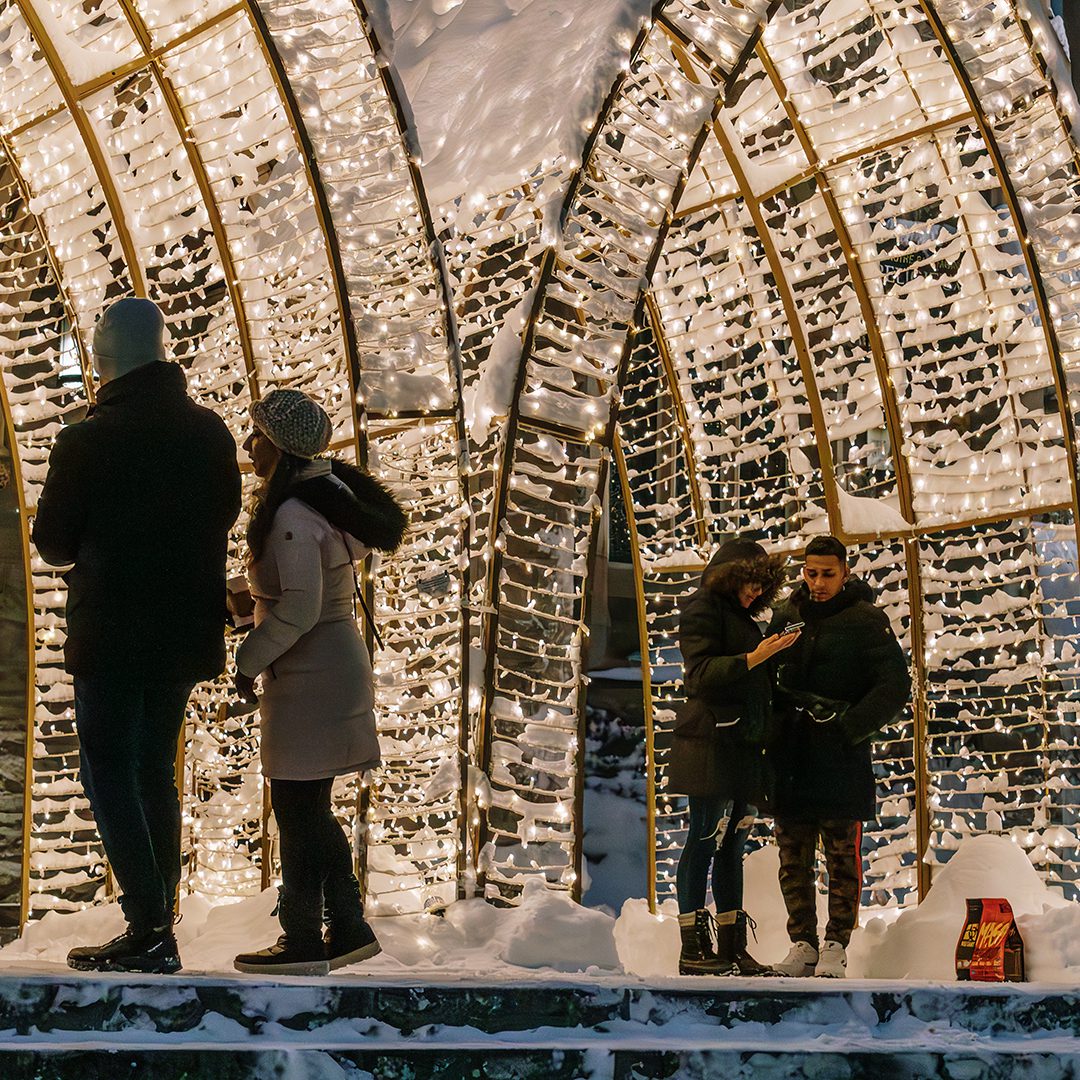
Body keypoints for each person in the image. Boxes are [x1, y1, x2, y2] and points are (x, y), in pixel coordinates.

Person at [33, 298, 242, 973]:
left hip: (113, 631)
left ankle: (147, 923)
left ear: (112, 351)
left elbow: (53, 544)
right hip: (184, 632)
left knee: (106, 769)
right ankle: (159, 916)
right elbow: (227, 514)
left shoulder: (87, 439)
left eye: (97, 335)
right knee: (155, 767)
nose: (91, 344)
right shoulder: (209, 433)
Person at [231, 389, 407, 976]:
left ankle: (309, 935)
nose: (249, 446)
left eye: (257, 436)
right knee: (305, 808)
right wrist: (246, 602)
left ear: (279, 447)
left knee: (298, 809)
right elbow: (299, 591)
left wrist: (248, 658)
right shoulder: (325, 503)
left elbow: (301, 607)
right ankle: (337, 930)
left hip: (311, 673)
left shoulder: (290, 515)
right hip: (328, 666)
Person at [767, 535, 910, 978]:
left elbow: (894, 685)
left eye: (828, 573)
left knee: (841, 855)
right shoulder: (787, 614)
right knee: (792, 854)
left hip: (839, 755)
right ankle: (803, 943)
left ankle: (835, 943)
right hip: (792, 752)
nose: (818, 582)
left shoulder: (867, 620)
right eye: (811, 572)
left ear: (845, 572)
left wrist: (849, 727)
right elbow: (766, 671)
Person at [667, 538, 800, 976]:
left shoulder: (740, 616)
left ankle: (731, 947)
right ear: (730, 576)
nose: (755, 593)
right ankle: (693, 949)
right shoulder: (702, 608)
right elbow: (700, 674)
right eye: (749, 583)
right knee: (705, 836)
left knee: (733, 843)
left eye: (762, 587)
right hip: (710, 741)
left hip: (743, 742)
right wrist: (754, 656)